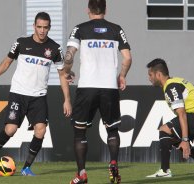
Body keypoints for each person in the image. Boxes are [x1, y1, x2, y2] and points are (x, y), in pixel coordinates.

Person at [0, 12, 72, 176]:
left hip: (39, 97)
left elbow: (62, 74)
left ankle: (26, 167)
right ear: (34, 26)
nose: (42, 31)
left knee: (41, 130)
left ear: (49, 28)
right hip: (19, 93)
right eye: (39, 27)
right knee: (10, 130)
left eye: (45, 27)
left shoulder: (55, 49)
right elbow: (7, 61)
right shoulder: (21, 43)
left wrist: (67, 99)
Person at [64, 0, 132, 183]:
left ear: (88, 10)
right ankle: (113, 162)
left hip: (87, 87)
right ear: (105, 9)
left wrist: (68, 70)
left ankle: (82, 173)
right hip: (109, 86)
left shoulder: (80, 29)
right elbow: (127, 58)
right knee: (112, 130)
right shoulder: (116, 29)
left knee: (80, 132)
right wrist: (122, 75)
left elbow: (69, 54)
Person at [146, 58, 194, 177]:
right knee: (171, 137)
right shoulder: (174, 81)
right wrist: (187, 132)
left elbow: (181, 113)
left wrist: (186, 138)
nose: (149, 78)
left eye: (150, 75)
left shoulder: (171, 87)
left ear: (158, 74)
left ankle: (165, 171)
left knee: (164, 130)